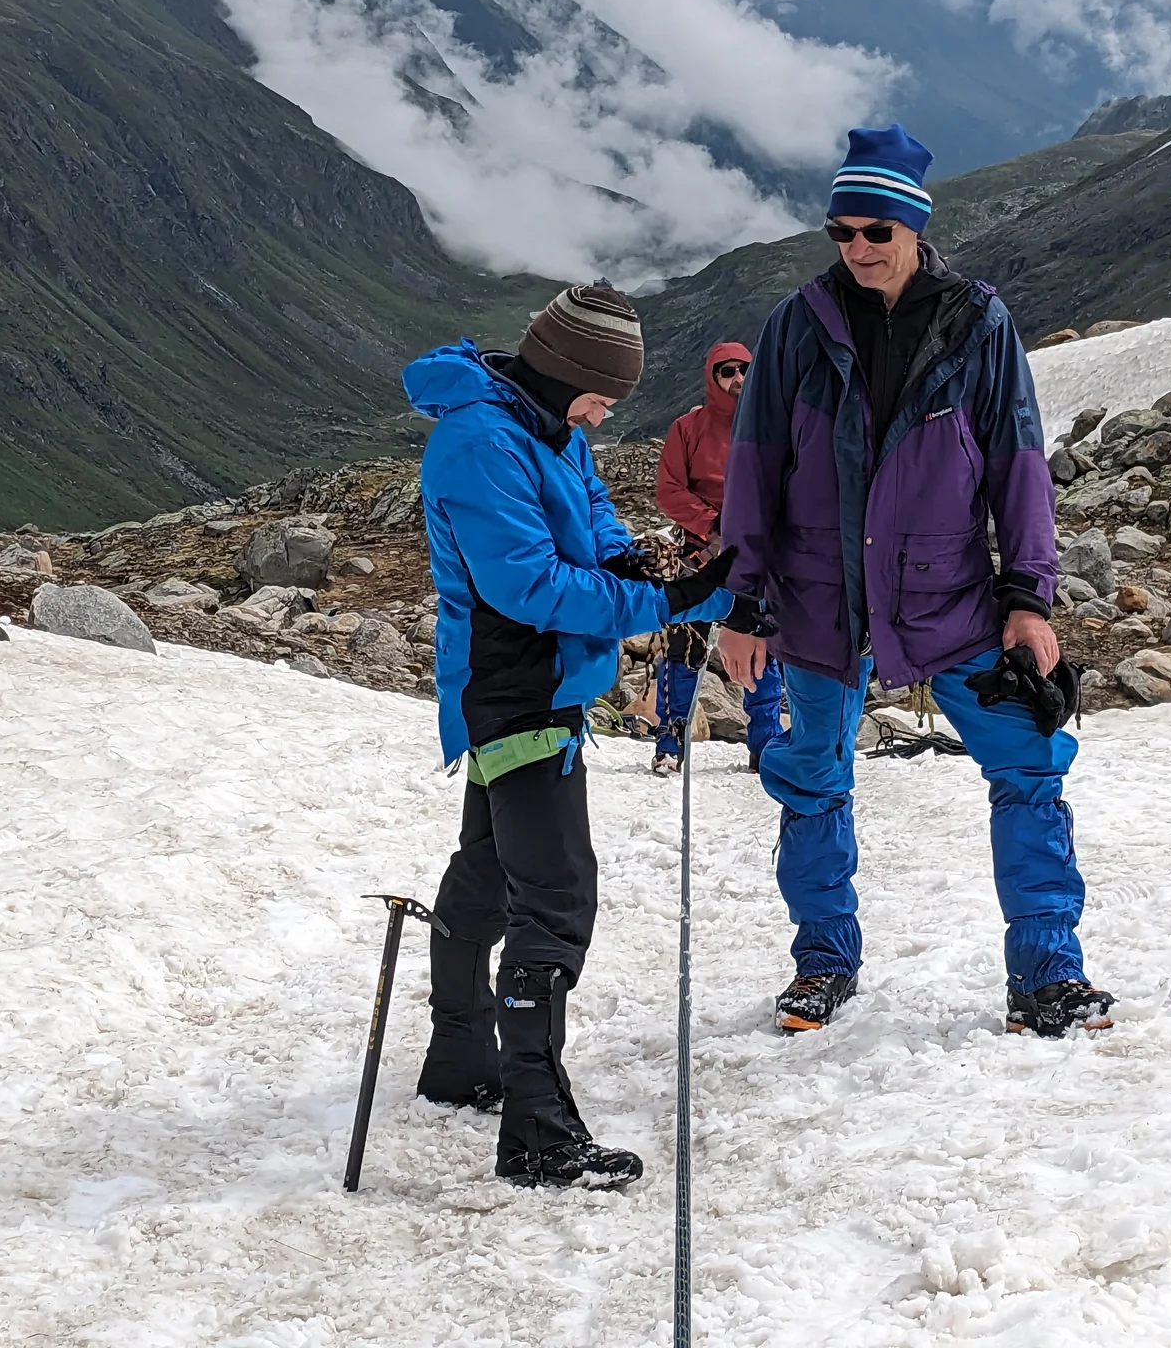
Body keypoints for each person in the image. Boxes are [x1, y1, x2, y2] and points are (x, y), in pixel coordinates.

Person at [718, 125, 1115, 1039]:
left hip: (951, 597)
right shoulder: (796, 326)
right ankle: (823, 963)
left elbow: (1017, 464)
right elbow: (756, 467)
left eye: (874, 232)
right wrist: (743, 603)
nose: (856, 249)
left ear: (913, 228)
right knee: (812, 777)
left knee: (1028, 764)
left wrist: (1028, 597)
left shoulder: (979, 322)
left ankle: (1048, 976)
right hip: (817, 597)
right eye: (840, 233)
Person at [403, 282, 766, 1190]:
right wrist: (677, 598)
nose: (607, 416)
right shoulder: (483, 442)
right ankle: (536, 1129)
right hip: (514, 689)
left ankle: (459, 1060)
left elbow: (592, 521)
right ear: (570, 370)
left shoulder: (547, 427)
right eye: (605, 394)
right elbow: (525, 588)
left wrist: (628, 558)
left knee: (487, 875)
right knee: (556, 901)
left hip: (537, 687)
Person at [651, 342, 785, 776]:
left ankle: (764, 744)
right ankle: (671, 744)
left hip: (756, 556)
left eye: (745, 370)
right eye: (727, 371)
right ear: (712, 376)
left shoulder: (771, 426)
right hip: (702, 554)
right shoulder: (687, 428)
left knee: (761, 645)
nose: (737, 379)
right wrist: (716, 525)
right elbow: (669, 489)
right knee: (685, 648)